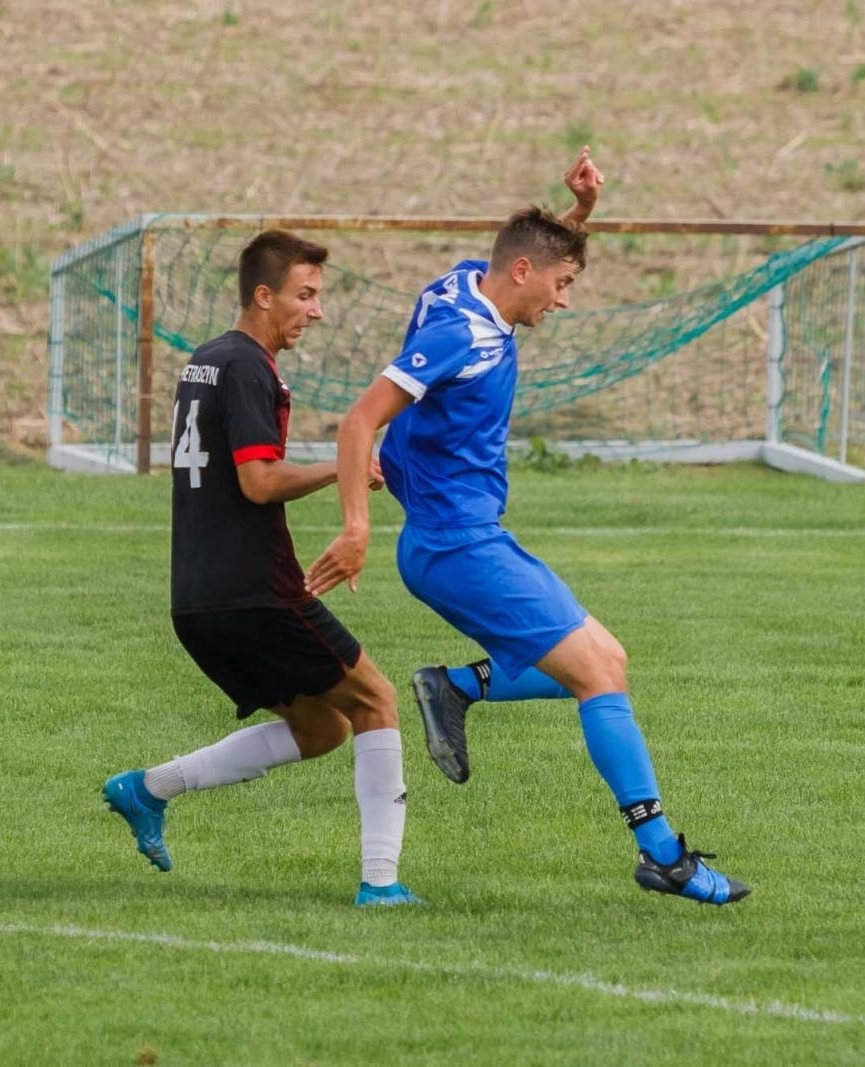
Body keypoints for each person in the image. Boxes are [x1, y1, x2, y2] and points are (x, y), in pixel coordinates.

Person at [305, 149, 749, 905]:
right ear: (521, 276)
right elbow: (358, 420)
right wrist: (355, 525)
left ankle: (454, 686)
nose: (564, 301)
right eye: (564, 285)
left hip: (467, 539)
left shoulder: (459, 283)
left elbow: (529, 248)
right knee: (598, 675)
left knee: (609, 655)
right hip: (455, 546)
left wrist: (576, 216)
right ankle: (663, 855)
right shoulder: (459, 336)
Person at [102, 229, 422, 907]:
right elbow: (258, 480)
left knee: (322, 727)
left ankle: (147, 788)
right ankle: (382, 883)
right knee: (376, 700)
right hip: (257, 591)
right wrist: (342, 464)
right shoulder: (250, 367)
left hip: (195, 598)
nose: (317, 309)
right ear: (264, 294)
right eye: (306, 295)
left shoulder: (204, 360)